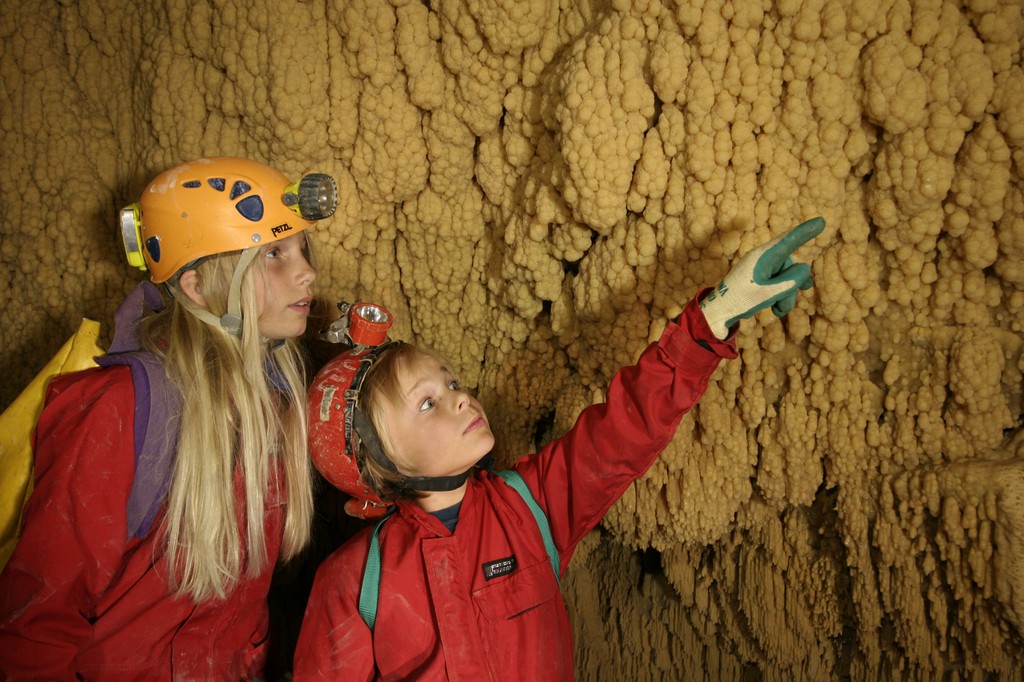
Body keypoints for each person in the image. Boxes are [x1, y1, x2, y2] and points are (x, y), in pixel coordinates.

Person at [292, 217, 826, 680]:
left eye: (451, 383)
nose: (460, 399)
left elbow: (623, 432)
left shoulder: (531, 506)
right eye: (426, 404)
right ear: (380, 460)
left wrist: (711, 318)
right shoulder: (353, 581)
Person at [0, 156, 339, 679]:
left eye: (300, 248)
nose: (306, 271)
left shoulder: (278, 400)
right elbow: (39, 618)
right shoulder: (120, 407)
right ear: (198, 287)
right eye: (273, 253)